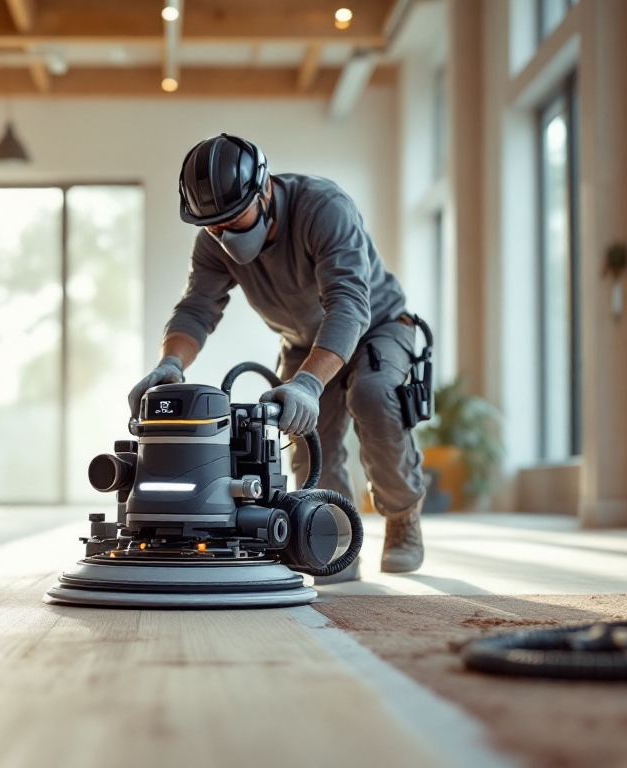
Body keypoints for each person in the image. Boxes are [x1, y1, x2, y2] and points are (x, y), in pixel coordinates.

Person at [128, 134, 427, 578]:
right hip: (303, 342)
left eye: (233, 219)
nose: (224, 234)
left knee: (372, 393)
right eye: (214, 227)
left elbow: (349, 304)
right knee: (307, 443)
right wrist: (169, 364)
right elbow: (196, 309)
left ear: (264, 190)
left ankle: (403, 517)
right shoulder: (214, 241)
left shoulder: (323, 208)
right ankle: (337, 535)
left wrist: (308, 383)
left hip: (377, 326)